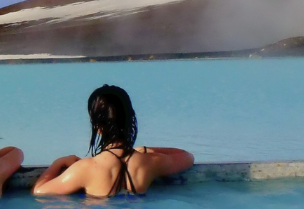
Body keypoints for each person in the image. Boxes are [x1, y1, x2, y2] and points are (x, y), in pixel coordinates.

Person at [33, 84, 193, 197]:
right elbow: (187, 157)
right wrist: (146, 150)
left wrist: (59, 162)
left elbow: (39, 191)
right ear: (129, 120)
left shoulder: (85, 168)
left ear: (98, 127)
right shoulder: (149, 162)